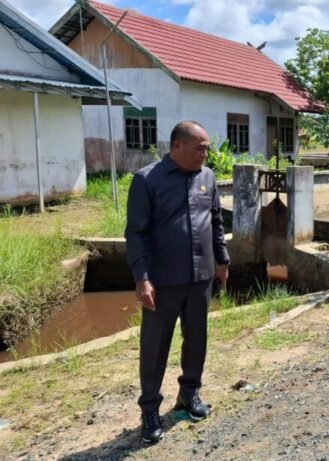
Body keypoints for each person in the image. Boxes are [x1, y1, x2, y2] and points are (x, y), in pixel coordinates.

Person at [125, 121, 230, 444]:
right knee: (155, 346)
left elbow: (215, 220)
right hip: (163, 280)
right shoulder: (147, 180)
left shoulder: (207, 178)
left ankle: (189, 394)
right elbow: (136, 233)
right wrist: (142, 279)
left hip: (200, 277)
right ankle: (150, 410)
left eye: (207, 147)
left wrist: (222, 259)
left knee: (197, 339)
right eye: (199, 147)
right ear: (176, 147)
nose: (205, 153)